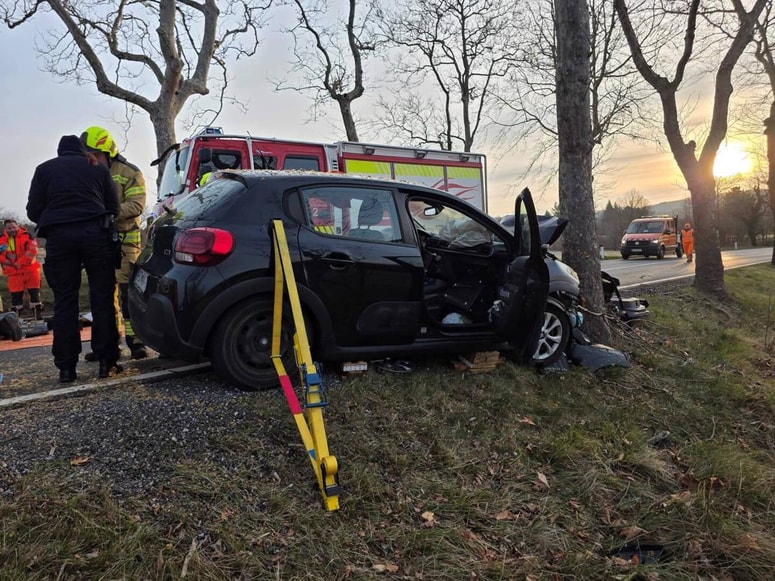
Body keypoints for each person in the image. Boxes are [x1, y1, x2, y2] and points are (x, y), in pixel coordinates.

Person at [26, 135, 122, 383]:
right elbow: (114, 206)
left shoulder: (44, 169)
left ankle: (66, 368)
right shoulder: (97, 168)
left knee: (64, 302)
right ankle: (106, 361)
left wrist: (57, 217)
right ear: (82, 151)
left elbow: (33, 210)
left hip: (60, 238)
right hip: (95, 235)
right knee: (101, 299)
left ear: (60, 153)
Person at [80, 126, 149, 360]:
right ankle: (108, 346)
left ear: (108, 152)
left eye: (96, 155)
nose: (92, 160)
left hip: (125, 242)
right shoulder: (88, 172)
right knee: (102, 297)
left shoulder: (130, 173)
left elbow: (137, 205)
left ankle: (136, 342)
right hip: (99, 242)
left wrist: (109, 214)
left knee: (127, 295)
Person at [0, 219, 43, 320]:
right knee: (16, 298)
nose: (12, 230)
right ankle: (15, 320)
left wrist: (18, 263)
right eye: (9, 228)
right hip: (13, 273)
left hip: (30, 271)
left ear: (18, 226)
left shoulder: (27, 236)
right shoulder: (1, 239)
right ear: (5, 229)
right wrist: (9, 263)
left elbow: (32, 251)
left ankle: (38, 317)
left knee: (35, 295)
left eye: (14, 227)